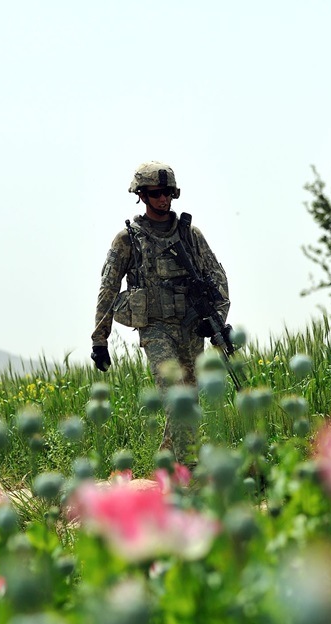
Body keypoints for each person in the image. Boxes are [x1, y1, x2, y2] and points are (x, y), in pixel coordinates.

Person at [91, 161, 231, 462]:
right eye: (156, 193)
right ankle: (189, 468)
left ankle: (168, 462)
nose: (163, 199)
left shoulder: (189, 234)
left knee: (189, 399)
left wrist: (217, 321)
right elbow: (109, 287)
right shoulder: (128, 239)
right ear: (141, 194)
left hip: (191, 326)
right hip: (155, 328)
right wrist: (99, 340)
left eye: (168, 192)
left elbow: (217, 277)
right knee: (174, 394)